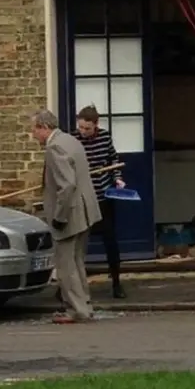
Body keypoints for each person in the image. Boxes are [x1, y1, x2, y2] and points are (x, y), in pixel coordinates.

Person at [30, 109, 102, 324]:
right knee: (77, 261)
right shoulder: (71, 140)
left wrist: (59, 216)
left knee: (66, 265)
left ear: (44, 127)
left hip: (69, 213)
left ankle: (76, 310)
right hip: (85, 211)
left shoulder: (54, 147)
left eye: (34, 130)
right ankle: (84, 305)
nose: (32, 134)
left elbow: (66, 184)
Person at [73, 105, 127, 299]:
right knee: (77, 244)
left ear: (96, 125)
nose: (83, 132)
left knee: (110, 240)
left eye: (87, 128)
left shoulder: (104, 137)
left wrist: (117, 177)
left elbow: (113, 159)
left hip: (103, 197)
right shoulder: (73, 140)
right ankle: (71, 287)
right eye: (80, 127)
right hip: (82, 199)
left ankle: (116, 283)